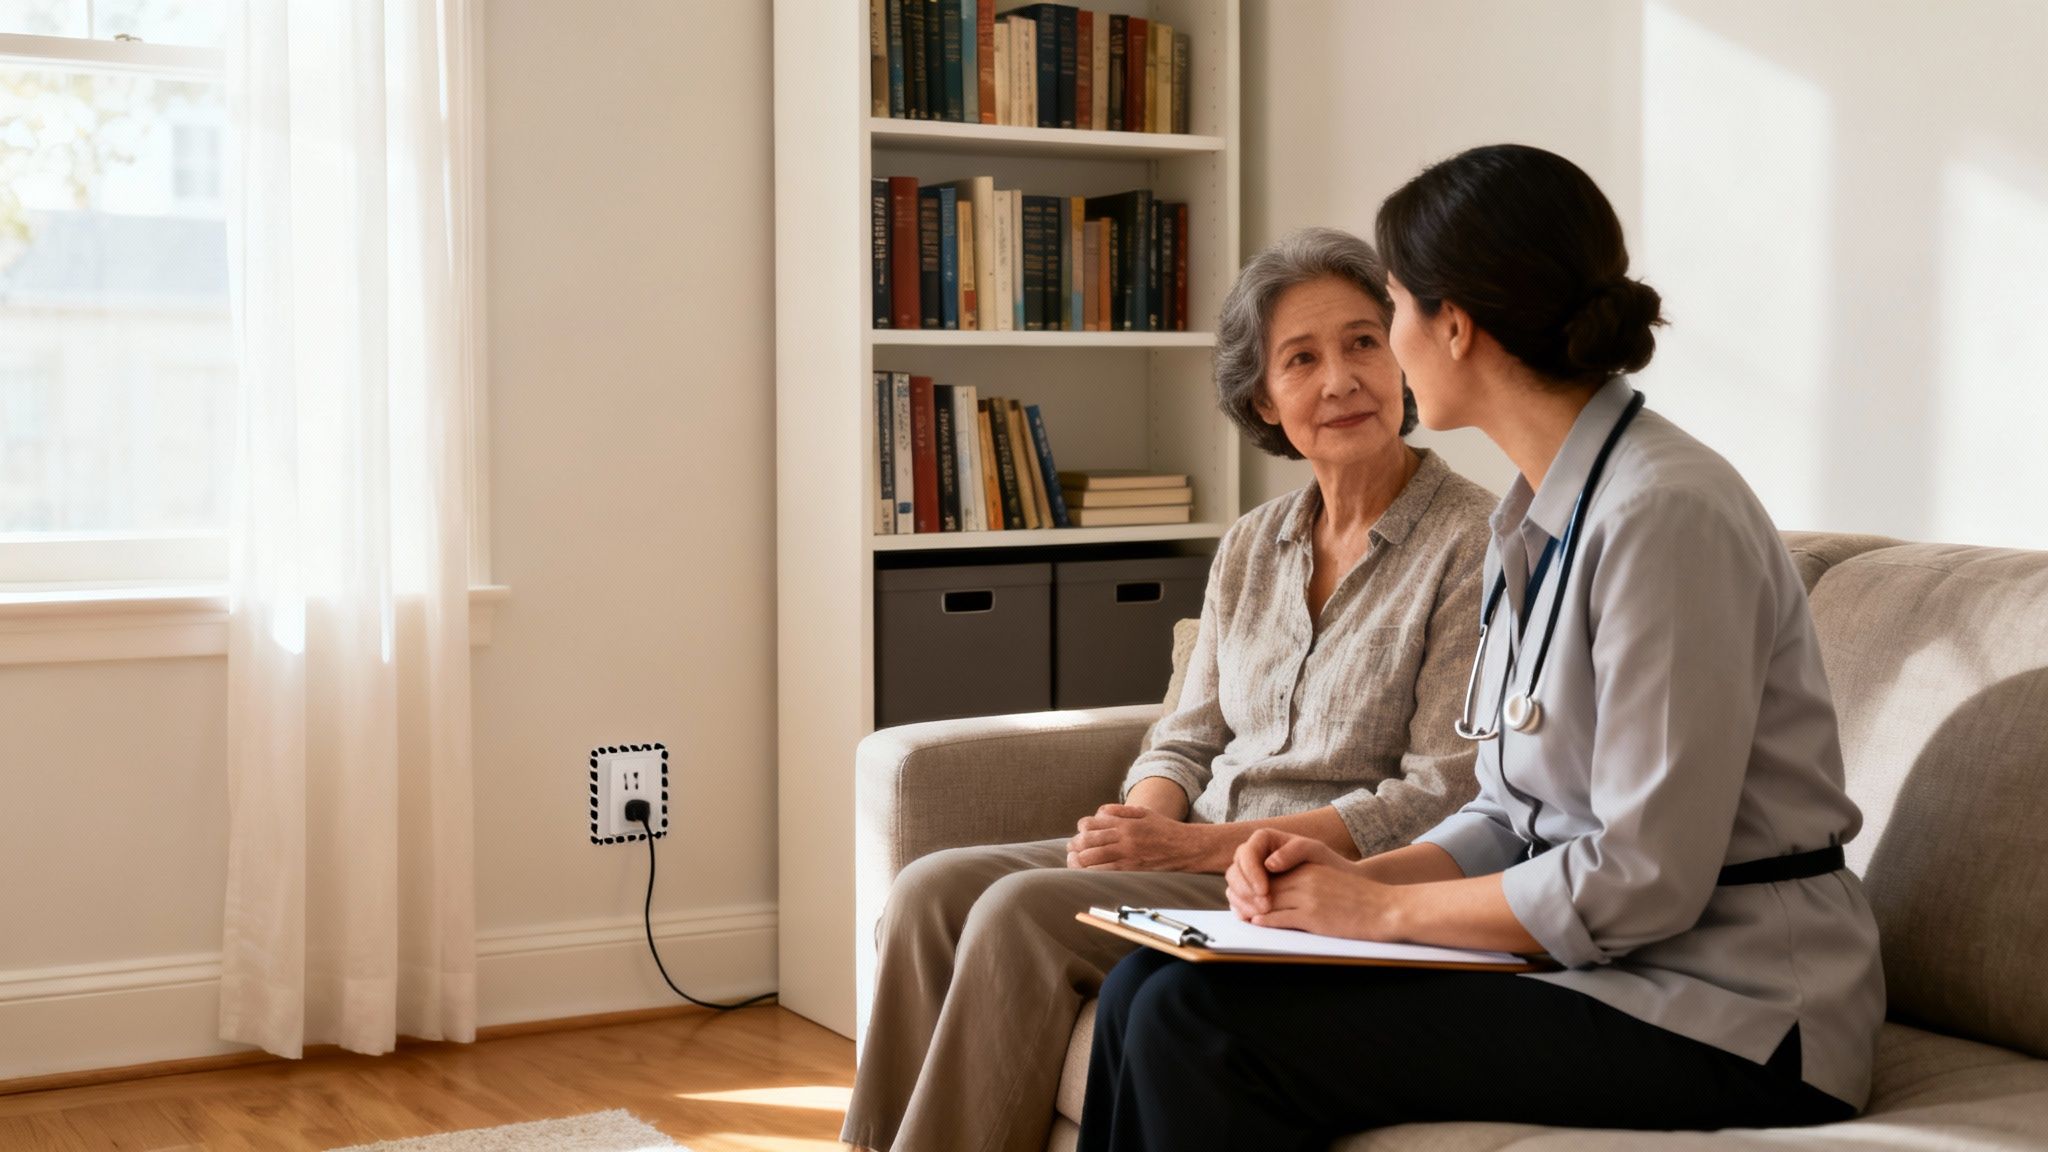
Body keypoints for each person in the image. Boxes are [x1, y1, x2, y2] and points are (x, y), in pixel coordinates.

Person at [1078, 145, 1886, 1152]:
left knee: (1195, 1025)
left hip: (1734, 1009)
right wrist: (1352, 881)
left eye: (1389, 312)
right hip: (1606, 970)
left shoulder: (1662, 515)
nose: (1382, 350)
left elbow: (1641, 875)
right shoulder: (1537, 515)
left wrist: (1374, 917)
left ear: (1451, 326)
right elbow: (1511, 811)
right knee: (1147, 985)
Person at [841, 228, 1500, 1152]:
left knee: (1019, 916)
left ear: (1402, 354)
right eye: (1300, 359)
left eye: (1362, 341)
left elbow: (1438, 795)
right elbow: (1184, 738)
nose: (1341, 379)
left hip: (1305, 882)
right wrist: (1137, 826)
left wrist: (1195, 846)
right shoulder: (1251, 544)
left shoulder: (1477, 544)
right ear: (1264, 400)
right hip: (1193, 851)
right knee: (930, 888)